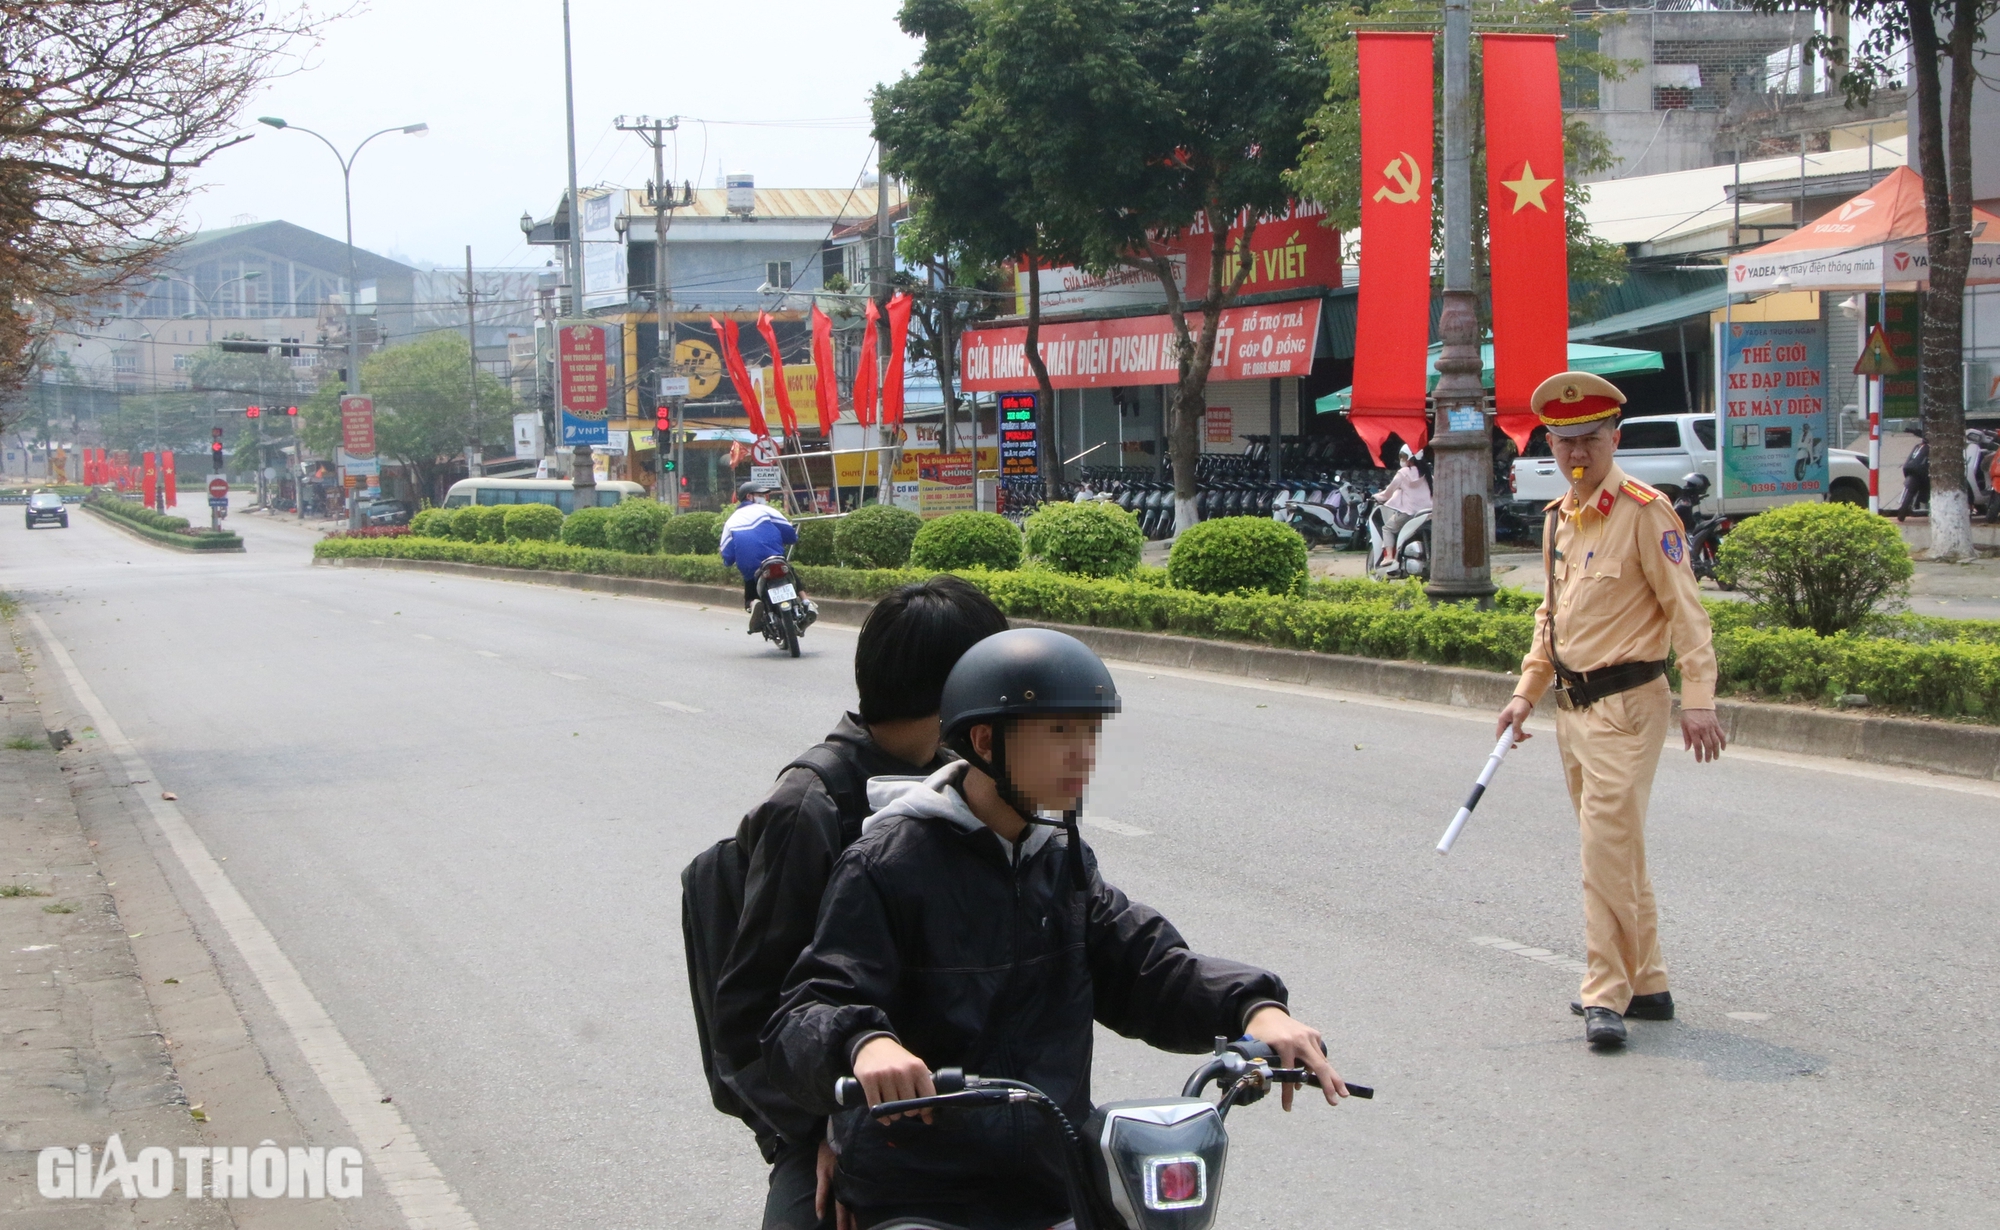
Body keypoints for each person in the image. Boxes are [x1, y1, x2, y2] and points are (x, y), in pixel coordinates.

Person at [765, 628, 1348, 1230]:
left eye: (1090, 734)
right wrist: (865, 1044)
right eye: (1059, 734)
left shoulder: (1058, 856)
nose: (1083, 757)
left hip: (1054, 1178)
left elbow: (1144, 963)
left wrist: (1252, 1007)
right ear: (986, 742)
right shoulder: (888, 862)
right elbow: (813, 1003)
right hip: (925, 1191)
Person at [712, 577, 1010, 1230]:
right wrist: (830, 1131)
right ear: (956, 694)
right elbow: (748, 1015)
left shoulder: (973, 784)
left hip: (970, 1110)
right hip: (836, 1104)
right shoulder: (813, 807)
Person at [1494, 371, 1726, 1051]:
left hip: (1629, 705)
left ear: (1614, 437)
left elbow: (1688, 614)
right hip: (1573, 710)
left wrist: (1701, 702)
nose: (1576, 455)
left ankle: (1605, 992)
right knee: (1618, 850)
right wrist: (1524, 692)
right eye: (1563, 442)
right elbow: (1552, 617)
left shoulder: (1645, 511)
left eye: (1590, 440)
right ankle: (1648, 981)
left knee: (1603, 852)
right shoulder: (1558, 519)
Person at [721, 481, 799, 630]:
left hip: (752, 568)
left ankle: (753, 602)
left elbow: (728, 556)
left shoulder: (731, 522)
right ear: (749, 496)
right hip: (774, 558)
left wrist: (727, 562)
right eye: (760, 495)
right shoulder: (766, 510)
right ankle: (806, 602)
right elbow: (790, 534)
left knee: (750, 586)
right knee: (790, 571)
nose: (764, 498)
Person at [1373, 442, 1433, 539]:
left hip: (1410, 513)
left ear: (1410, 458)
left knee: (1387, 529)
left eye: (1404, 456)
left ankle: (1389, 554)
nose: (1402, 459)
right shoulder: (1427, 473)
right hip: (1428, 513)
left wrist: (1376, 496)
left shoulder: (1403, 473)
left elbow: (1388, 492)